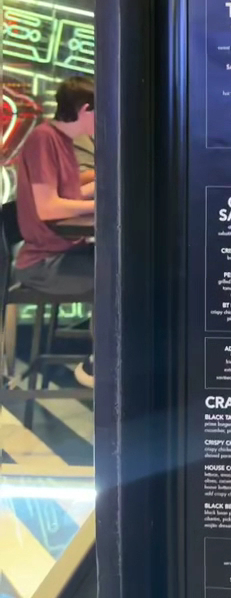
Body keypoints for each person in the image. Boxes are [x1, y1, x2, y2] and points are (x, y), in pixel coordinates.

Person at [14, 76, 96, 386]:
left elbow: (70, 194)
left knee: (126, 267)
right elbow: (48, 208)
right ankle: (100, 363)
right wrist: (99, 205)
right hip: (42, 264)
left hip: (61, 252)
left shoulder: (60, 140)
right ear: (85, 110)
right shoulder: (43, 139)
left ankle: (110, 357)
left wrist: (101, 187)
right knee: (119, 278)